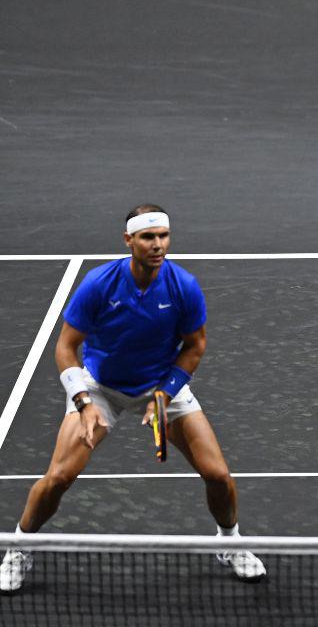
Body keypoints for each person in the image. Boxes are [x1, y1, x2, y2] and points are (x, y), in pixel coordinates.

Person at [1, 205, 266, 592]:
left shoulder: (183, 287)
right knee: (58, 477)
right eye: (147, 237)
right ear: (129, 240)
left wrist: (165, 392)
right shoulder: (98, 284)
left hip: (159, 386)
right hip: (100, 387)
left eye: (163, 236)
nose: (157, 245)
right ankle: (19, 547)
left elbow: (195, 345)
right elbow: (66, 347)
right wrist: (83, 402)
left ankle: (230, 542)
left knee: (218, 475)